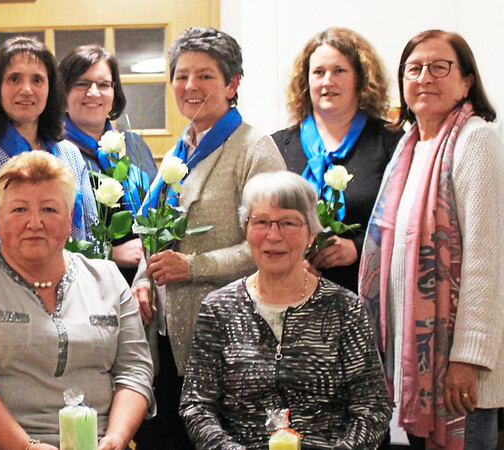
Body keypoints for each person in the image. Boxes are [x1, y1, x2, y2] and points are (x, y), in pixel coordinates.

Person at [0, 151, 154, 449]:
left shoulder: (108, 278)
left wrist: (116, 438)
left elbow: (135, 371)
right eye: (19, 210)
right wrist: (28, 447)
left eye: (49, 210)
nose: (34, 223)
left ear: (70, 219)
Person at [131, 27, 286, 450]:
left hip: (228, 345)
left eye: (204, 76)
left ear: (232, 84)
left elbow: (272, 246)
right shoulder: (181, 149)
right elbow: (155, 235)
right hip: (165, 343)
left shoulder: (255, 149)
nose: (190, 86)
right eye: (181, 76)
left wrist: (194, 267)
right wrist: (143, 279)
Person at [360, 30, 504, 449]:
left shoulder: (475, 139)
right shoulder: (410, 147)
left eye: (440, 67)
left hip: (461, 375)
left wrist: (467, 358)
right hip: (424, 370)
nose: (425, 77)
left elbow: (486, 259)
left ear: (466, 81)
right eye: (414, 68)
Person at [180, 170, 391, 449]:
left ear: (312, 233)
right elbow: (197, 407)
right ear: (246, 229)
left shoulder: (345, 308)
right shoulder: (219, 309)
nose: (273, 235)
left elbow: (372, 409)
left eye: (289, 223)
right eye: (261, 222)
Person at [272, 27, 403, 293]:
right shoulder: (277, 146)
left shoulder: (391, 142)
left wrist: (357, 248)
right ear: (306, 80)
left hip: (364, 294)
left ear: (360, 78)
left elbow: (405, 223)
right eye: (318, 72)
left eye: (339, 71)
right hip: (290, 294)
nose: (327, 81)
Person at [0, 36, 97, 258]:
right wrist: (42, 276)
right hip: (4, 288)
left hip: (73, 284)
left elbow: (91, 233)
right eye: (14, 79)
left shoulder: (69, 154)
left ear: (51, 89)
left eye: (37, 80)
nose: (26, 89)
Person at [58, 44, 157, 284]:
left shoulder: (133, 144)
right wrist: (110, 253)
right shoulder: (55, 152)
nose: (93, 92)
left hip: (146, 280)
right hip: (87, 282)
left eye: (103, 84)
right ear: (63, 91)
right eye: (82, 83)